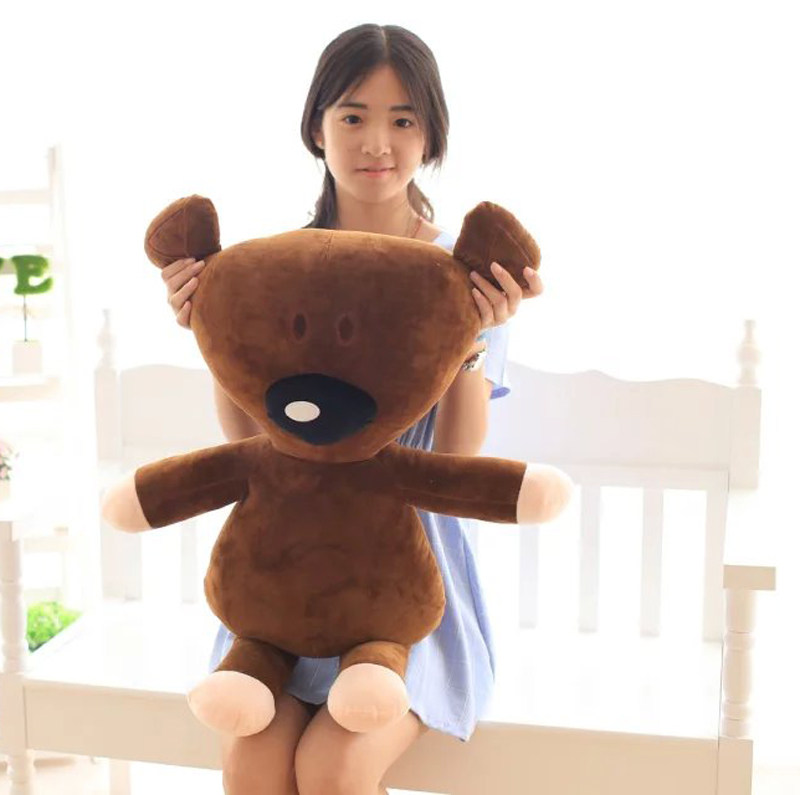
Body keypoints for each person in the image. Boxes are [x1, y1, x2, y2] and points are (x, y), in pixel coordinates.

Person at [160, 23, 542, 795]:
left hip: (407, 589)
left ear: (431, 134)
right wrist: (212, 336)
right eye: (353, 115)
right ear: (317, 127)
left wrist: (471, 340)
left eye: (403, 119)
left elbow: (456, 460)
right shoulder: (275, 269)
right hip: (284, 576)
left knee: (334, 765)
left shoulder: (462, 275)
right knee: (252, 763)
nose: (378, 142)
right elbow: (251, 439)